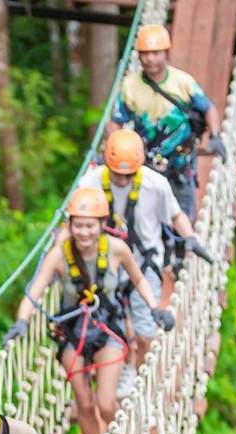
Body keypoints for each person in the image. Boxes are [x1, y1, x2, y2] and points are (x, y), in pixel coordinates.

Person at [3, 187, 174, 434]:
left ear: (102, 225)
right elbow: (34, 292)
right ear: (70, 226)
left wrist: (155, 308)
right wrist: (21, 321)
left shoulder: (116, 249)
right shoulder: (59, 255)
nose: (84, 232)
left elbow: (139, 279)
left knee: (106, 403)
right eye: (79, 225)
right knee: (83, 402)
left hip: (108, 329)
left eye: (90, 226)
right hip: (73, 332)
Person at [80, 128, 213, 381]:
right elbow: (72, 222)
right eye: (117, 174)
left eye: (128, 175)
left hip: (144, 265)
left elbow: (175, 215)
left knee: (146, 332)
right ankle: (119, 373)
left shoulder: (156, 184)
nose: (122, 181)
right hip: (104, 267)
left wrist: (191, 238)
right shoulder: (90, 183)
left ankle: (140, 379)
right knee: (102, 330)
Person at [106, 23, 225, 220]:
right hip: (146, 162)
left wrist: (215, 136)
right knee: (147, 216)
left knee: (182, 214)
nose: (150, 59)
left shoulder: (183, 82)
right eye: (145, 53)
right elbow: (116, 121)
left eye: (155, 53)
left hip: (181, 161)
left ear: (166, 53)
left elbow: (208, 108)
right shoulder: (130, 86)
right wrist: (114, 147)